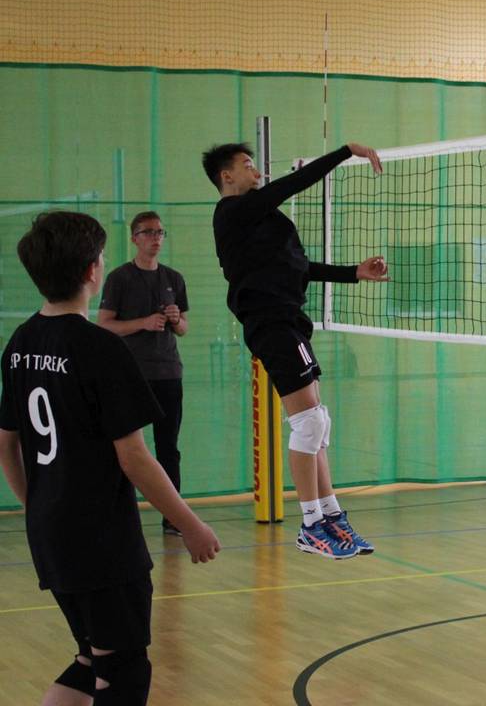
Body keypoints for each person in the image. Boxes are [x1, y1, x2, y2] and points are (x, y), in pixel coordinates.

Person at [0, 212, 220, 706]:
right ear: (91, 271)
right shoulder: (100, 348)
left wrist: (38, 506)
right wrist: (190, 525)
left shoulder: (20, 343)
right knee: (123, 670)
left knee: (91, 658)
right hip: (100, 540)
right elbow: (135, 459)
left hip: (50, 534)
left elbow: (5, 444)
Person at [201, 142, 387, 559]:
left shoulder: (265, 221)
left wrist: (353, 273)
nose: (257, 172)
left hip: (288, 319)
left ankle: (332, 516)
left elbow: (297, 265)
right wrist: (345, 151)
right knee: (307, 424)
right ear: (227, 176)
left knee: (318, 421)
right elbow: (293, 184)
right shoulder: (232, 212)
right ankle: (310, 525)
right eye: (248, 165)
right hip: (270, 321)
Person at [98, 211, 189, 536]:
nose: (155, 238)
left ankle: (173, 518)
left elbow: (184, 328)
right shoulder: (119, 278)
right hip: (131, 375)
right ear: (134, 238)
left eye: (160, 232)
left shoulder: (174, 278)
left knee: (168, 448)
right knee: (123, 447)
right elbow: (104, 324)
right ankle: (116, 513)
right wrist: (143, 323)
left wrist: (176, 320)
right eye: (148, 232)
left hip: (168, 374)